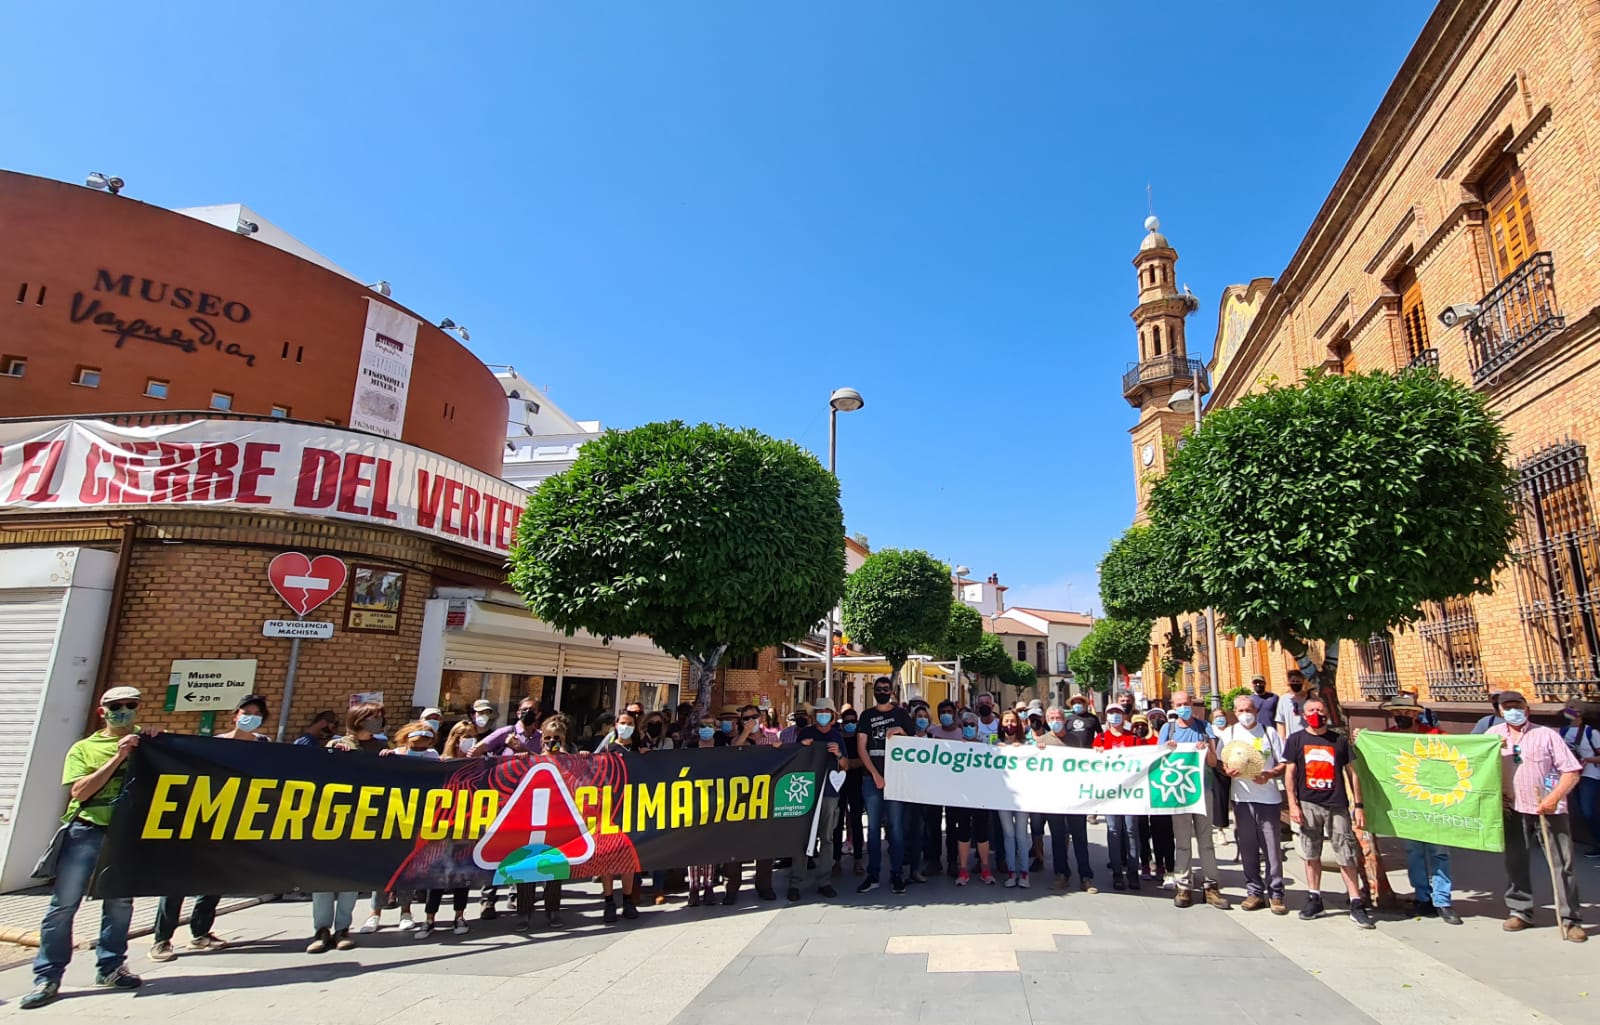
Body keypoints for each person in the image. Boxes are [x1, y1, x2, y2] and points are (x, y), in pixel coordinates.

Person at [22, 686, 153, 1009]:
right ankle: (48, 976)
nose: (123, 710)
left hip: (125, 834)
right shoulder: (84, 748)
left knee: (120, 903)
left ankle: (111, 967)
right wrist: (119, 757)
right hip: (87, 829)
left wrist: (158, 742)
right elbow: (79, 791)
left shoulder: (148, 741)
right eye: (116, 706)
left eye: (130, 705)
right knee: (64, 904)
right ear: (102, 711)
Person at [150, 694, 271, 962]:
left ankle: (201, 932)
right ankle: (162, 939)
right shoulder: (214, 744)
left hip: (235, 819)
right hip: (202, 816)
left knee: (214, 878)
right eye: (246, 712)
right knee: (178, 878)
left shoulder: (264, 745)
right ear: (235, 715)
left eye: (257, 714)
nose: (251, 718)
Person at [1488, 691, 1586, 941]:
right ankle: (1521, 911)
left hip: (1549, 809)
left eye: (1517, 706)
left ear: (1527, 709)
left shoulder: (1546, 735)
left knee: (1561, 864)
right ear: (1500, 711)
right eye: (1507, 707)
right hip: (1512, 808)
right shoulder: (1492, 736)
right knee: (1515, 862)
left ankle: (1570, 919)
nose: (1513, 711)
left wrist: (1553, 798)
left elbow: (1571, 771)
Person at [1282, 695, 1373, 928]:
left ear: (1327, 714)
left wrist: (1358, 806)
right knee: (1311, 853)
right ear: (1304, 715)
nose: (1317, 714)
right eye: (1312, 710)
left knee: (1346, 853)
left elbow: (1353, 773)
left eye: (1320, 710)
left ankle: (1355, 901)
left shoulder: (1339, 741)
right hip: (1308, 804)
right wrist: (1293, 804)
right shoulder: (1296, 740)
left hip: (1336, 805)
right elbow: (1290, 773)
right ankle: (1314, 897)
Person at [1379, 694, 1459, 925]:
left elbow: (1460, 750)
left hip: (1434, 802)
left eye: (1406, 712)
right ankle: (1422, 897)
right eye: (1397, 713)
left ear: (1415, 714)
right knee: (1414, 851)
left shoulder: (1434, 735)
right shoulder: (1387, 737)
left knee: (1439, 851)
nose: (1402, 716)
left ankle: (1442, 901)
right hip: (1407, 804)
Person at [314, 702, 386, 951]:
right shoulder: (338, 744)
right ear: (358, 719)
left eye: (379, 717)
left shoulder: (381, 747)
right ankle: (321, 930)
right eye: (372, 717)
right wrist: (335, 756)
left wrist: (392, 762)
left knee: (351, 878)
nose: (377, 721)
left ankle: (343, 928)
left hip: (364, 821)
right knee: (323, 878)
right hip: (334, 820)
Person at [1159, 690, 1230, 911]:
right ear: (1173, 706)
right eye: (1179, 704)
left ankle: (1211, 886)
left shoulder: (1204, 727)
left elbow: (1213, 762)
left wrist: (1206, 751)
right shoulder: (1168, 729)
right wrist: (1167, 750)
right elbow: (1158, 760)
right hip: (1179, 793)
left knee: (1205, 841)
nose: (1183, 707)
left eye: (1186, 703)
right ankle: (1184, 886)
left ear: (1191, 704)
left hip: (1202, 790)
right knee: (1182, 842)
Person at [1218, 693, 1288, 915]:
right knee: (1247, 847)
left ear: (1256, 711)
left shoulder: (1269, 732)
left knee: (1272, 848)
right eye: (1241, 711)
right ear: (1235, 713)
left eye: (1249, 710)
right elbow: (1220, 762)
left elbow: (1283, 762)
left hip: (1268, 799)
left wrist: (1270, 774)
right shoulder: (1229, 734)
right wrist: (1227, 770)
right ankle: (1254, 891)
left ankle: (1276, 893)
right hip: (1242, 799)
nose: (1245, 714)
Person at [856, 677, 913, 894]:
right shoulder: (866, 716)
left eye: (885, 689)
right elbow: (861, 748)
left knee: (896, 828)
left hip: (896, 779)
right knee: (873, 829)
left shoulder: (901, 715)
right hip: (871, 779)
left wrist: (902, 731)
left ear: (892, 691)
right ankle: (873, 874)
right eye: (878, 689)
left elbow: (915, 743)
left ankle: (897, 873)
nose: (882, 692)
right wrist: (875, 774)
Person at [516, 715, 572, 928]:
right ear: (541, 739)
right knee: (527, 865)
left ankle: (553, 910)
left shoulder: (570, 761)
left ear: (563, 739)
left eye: (556, 737)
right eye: (547, 737)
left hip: (558, 819)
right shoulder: (532, 760)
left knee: (554, 866)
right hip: (533, 820)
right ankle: (524, 912)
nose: (551, 741)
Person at [1038, 706, 1096, 893]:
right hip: (1053, 797)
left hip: (1074, 796)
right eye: (1052, 718)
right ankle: (1061, 874)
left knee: (1080, 837)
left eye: (1058, 718)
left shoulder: (1075, 740)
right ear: (1047, 720)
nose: (1055, 721)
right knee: (1057, 837)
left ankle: (1086, 877)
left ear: (1064, 720)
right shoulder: (1041, 741)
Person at [724, 706, 779, 902]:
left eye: (754, 716)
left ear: (761, 717)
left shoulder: (772, 738)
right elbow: (732, 754)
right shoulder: (738, 739)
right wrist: (745, 733)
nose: (751, 720)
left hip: (764, 797)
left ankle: (764, 886)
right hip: (740, 798)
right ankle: (732, 888)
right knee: (735, 844)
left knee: (765, 844)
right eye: (746, 718)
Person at [1093, 704, 1147, 891]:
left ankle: (1133, 871)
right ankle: (1117, 871)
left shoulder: (1134, 739)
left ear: (1124, 716)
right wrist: (1097, 754)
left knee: (1131, 830)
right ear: (1106, 716)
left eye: (1118, 713)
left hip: (1131, 793)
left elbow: (1147, 758)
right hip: (1110, 795)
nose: (1114, 716)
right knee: (1114, 831)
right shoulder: (1100, 739)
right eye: (1111, 713)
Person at [797, 697, 846, 900]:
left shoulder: (837, 736)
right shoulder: (805, 734)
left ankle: (824, 881)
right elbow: (794, 760)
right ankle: (795, 882)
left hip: (829, 793)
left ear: (832, 716)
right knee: (801, 837)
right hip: (806, 791)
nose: (823, 715)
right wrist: (802, 747)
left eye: (827, 712)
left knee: (826, 838)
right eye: (820, 712)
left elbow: (846, 766)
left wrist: (839, 754)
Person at [596, 711, 643, 922]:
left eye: (630, 723)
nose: (626, 727)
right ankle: (608, 901)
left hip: (632, 808)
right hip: (609, 808)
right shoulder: (607, 748)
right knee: (606, 857)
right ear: (616, 725)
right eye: (623, 723)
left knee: (628, 859)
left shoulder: (639, 749)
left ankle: (628, 900)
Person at [950, 712, 996, 886]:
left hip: (981, 796)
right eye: (966, 725)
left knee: (982, 832)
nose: (969, 728)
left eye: (972, 725)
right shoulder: (955, 746)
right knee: (963, 831)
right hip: (962, 797)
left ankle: (985, 868)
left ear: (977, 727)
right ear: (961, 727)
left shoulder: (986, 746)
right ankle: (963, 869)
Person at [994, 711, 1032, 887]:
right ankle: (1011, 872)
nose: (1009, 725)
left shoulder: (1027, 745)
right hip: (1003, 796)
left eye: (1013, 721)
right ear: (1001, 724)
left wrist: (1033, 748)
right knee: (1008, 834)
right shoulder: (996, 745)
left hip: (1022, 797)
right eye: (1006, 721)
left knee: (1021, 835)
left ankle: (1024, 873)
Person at [1558, 703, 1600, 858]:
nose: (1569, 711)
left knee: (1588, 811)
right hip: (1571, 774)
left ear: (1581, 713)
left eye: (1573, 709)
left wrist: (1586, 760)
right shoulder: (1563, 731)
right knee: (1579, 811)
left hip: (1590, 774)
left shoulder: (1591, 732)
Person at [836, 706, 866, 877]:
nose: (850, 724)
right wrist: (852, 763)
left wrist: (847, 763)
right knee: (837, 822)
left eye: (854, 721)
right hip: (838, 784)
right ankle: (836, 861)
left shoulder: (860, 739)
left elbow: (864, 760)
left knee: (856, 821)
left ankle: (858, 859)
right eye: (847, 722)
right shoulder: (838, 739)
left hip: (856, 783)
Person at [470, 697, 545, 758]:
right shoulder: (506, 732)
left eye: (532, 710)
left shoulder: (541, 737)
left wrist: (522, 749)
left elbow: (546, 762)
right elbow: (474, 752)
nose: (528, 712)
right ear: (518, 713)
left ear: (538, 714)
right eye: (524, 710)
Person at [1276, 671, 1309, 740]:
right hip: (1291, 739)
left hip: (1308, 737)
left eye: (1298, 681)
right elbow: (1280, 721)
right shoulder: (1283, 699)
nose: (1295, 683)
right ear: (1289, 683)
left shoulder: (1310, 698)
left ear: (1302, 682)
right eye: (1293, 681)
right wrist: (1282, 739)